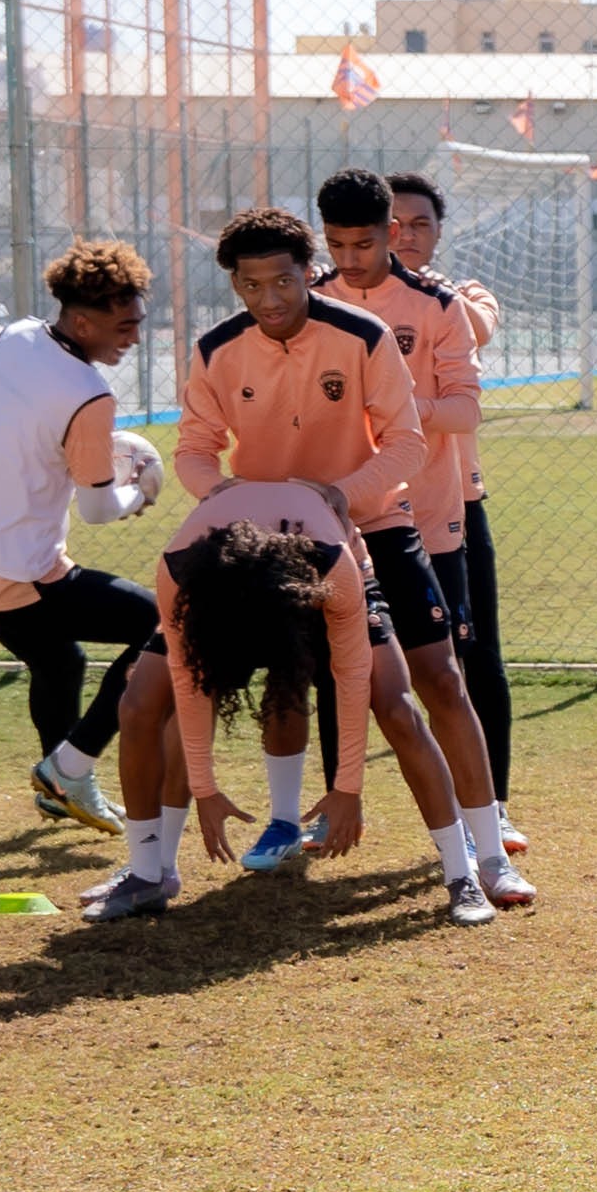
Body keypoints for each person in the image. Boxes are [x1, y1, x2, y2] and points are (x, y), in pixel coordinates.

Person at [171, 201, 503, 925]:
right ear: (234, 286)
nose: (269, 301)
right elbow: (194, 448)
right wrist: (223, 495)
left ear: (305, 273)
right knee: (286, 681)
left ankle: (486, 856)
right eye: (251, 287)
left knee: (425, 687)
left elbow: (408, 445)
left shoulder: (362, 334)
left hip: (372, 523)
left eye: (283, 283)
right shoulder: (215, 349)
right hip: (269, 542)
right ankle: (284, 823)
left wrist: (340, 495)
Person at [294, 167, 528, 904]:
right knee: (338, 665)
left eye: (366, 241)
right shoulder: (310, 301)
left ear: (396, 234)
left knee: (451, 670)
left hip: (429, 510)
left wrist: (399, 404)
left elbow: (465, 411)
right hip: (338, 517)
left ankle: (484, 822)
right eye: (337, 243)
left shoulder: (439, 304)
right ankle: (332, 806)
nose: (351, 256)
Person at [0, 233, 163, 832]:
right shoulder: (90, 393)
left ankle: (61, 782)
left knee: (59, 660)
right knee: (163, 627)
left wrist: (75, 446)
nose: (134, 336)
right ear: (83, 323)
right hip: (14, 570)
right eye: (124, 325)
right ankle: (69, 767)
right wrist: (141, 490)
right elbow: (98, 511)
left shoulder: (18, 333)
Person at [79, 483, 377, 922]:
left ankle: (284, 822)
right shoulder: (179, 569)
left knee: (291, 679)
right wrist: (205, 789)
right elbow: (188, 682)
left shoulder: (333, 565)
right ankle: (149, 872)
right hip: (217, 586)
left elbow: (353, 679)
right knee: (139, 703)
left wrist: (348, 787)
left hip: (301, 579)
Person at [385, 170, 524, 857]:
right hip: (366, 502)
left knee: (475, 658)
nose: (405, 237)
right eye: (392, 225)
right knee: (341, 661)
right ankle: (322, 806)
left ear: (439, 234)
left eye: (420, 226)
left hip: (454, 503)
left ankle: (492, 805)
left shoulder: (460, 297)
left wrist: (405, 291)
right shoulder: (341, 298)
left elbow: (476, 327)